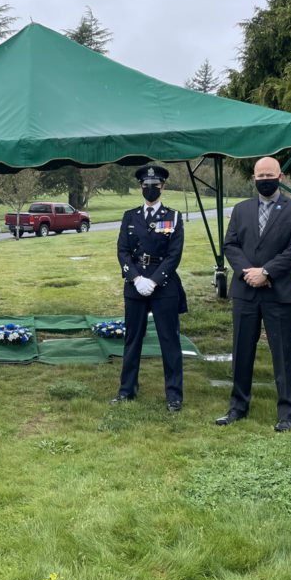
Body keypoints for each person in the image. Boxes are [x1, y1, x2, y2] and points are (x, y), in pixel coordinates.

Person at [215, 156, 291, 432]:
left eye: (270, 175)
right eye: (260, 176)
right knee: (242, 350)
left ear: (281, 177)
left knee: (283, 353)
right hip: (245, 291)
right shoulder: (241, 209)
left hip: (279, 292)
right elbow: (230, 245)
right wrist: (248, 272)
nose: (265, 179)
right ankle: (237, 406)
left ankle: (287, 412)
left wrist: (266, 272)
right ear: (253, 178)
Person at [112, 164, 187, 411]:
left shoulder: (173, 216)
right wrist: (136, 278)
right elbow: (122, 251)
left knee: (169, 340)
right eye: (146, 185)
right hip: (135, 284)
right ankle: (127, 390)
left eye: (155, 185)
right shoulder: (130, 216)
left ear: (163, 187)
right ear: (140, 187)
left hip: (163, 284)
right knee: (132, 339)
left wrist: (153, 280)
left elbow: (174, 254)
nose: (151, 189)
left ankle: (174, 395)